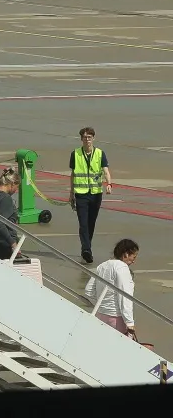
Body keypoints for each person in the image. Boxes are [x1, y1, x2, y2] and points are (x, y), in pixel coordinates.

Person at [70, 127, 114, 265]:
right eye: (84, 137)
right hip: (81, 194)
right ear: (81, 139)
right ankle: (86, 250)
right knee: (83, 223)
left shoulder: (100, 154)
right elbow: (73, 174)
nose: (87, 140)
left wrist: (109, 184)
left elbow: (106, 170)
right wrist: (71, 193)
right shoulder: (75, 154)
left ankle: (86, 247)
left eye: (89, 137)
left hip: (95, 194)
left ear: (93, 138)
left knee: (91, 223)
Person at [87, 239, 140, 338]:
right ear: (126, 254)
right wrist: (129, 322)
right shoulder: (122, 268)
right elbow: (125, 296)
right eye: (134, 257)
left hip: (100, 315)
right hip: (116, 318)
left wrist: (101, 305)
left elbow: (89, 291)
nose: (134, 261)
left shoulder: (102, 266)